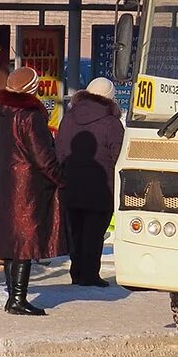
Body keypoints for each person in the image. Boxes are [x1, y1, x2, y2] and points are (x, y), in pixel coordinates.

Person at [0, 66, 67, 316]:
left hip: (3, 183)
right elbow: (43, 157)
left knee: (11, 240)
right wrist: (60, 178)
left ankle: (13, 295)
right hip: (27, 187)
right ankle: (18, 299)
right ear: (31, 89)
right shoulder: (29, 116)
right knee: (24, 241)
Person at [56, 77, 124, 287]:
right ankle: (90, 275)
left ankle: (77, 272)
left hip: (71, 185)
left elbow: (59, 149)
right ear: (110, 98)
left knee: (76, 230)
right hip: (101, 188)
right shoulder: (111, 123)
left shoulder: (68, 117)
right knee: (94, 233)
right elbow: (119, 155)